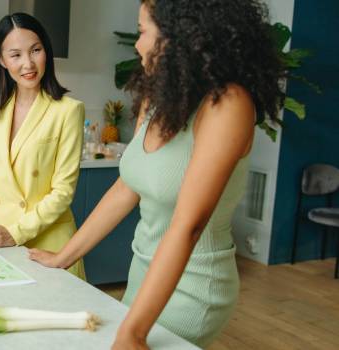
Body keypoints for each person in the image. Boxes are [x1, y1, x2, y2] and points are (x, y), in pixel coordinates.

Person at [29, 0, 285, 348]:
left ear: (179, 34)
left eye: (142, 31)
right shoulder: (160, 97)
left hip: (194, 286)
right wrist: (64, 257)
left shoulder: (228, 105)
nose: (137, 44)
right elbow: (126, 187)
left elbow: (188, 225)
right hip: (144, 273)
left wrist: (133, 332)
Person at [0, 13, 86, 279]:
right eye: (16, 55)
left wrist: (16, 233)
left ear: (46, 51)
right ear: (0, 59)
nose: (28, 64)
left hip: (49, 243)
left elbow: (63, 192)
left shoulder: (68, 111)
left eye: (36, 50)